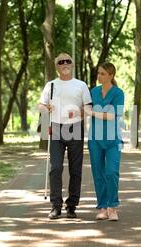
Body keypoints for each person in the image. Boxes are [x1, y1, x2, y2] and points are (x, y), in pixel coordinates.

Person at [38, 53, 92, 219]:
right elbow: (40, 104)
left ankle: (72, 206)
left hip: (75, 127)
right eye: (61, 62)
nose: (65, 64)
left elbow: (88, 107)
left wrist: (78, 113)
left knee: (75, 169)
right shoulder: (51, 85)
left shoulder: (81, 85)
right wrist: (45, 109)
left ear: (73, 65)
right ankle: (56, 206)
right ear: (57, 67)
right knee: (56, 168)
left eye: (68, 61)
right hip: (56, 128)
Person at [86, 62, 125, 221]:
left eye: (103, 73)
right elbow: (84, 109)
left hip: (112, 140)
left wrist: (92, 112)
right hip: (95, 139)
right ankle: (102, 207)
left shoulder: (118, 93)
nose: (99, 76)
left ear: (111, 75)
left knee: (111, 172)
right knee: (98, 173)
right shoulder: (93, 92)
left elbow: (113, 115)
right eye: (99, 73)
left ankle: (112, 206)